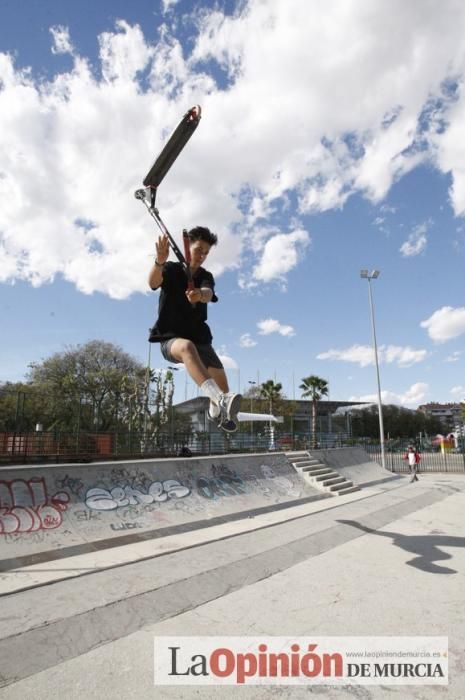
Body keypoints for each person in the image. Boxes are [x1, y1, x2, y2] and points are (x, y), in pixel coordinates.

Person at [148, 226, 241, 433]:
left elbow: (209, 292)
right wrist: (159, 261)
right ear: (187, 247)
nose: (202, 256)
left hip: (201, 340)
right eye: (199, 250)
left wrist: (199, 294)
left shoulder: (205, 275)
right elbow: (153, 282)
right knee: (187, 347)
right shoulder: (171, 269)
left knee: (224, 389)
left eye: (206, 253)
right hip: (172, 340)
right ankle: (218, 398)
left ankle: (216, 409)